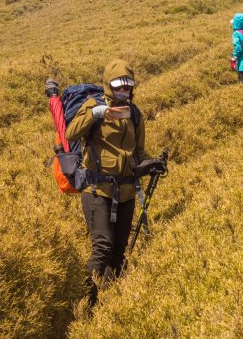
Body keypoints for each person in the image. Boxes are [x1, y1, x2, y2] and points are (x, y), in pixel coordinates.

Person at [64, 59, 166, 308]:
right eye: (119, 86)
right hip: (96, 188)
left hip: (127, 190)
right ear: (108, 86)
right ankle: (85, 306)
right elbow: (71, 133)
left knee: (119, 251)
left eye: (128, 86)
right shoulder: (93, 105)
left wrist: (151, 164)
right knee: (102, 247)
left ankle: (108, 304)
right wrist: (96, 114)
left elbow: (138, 151)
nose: (124, 91)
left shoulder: (134, 113)